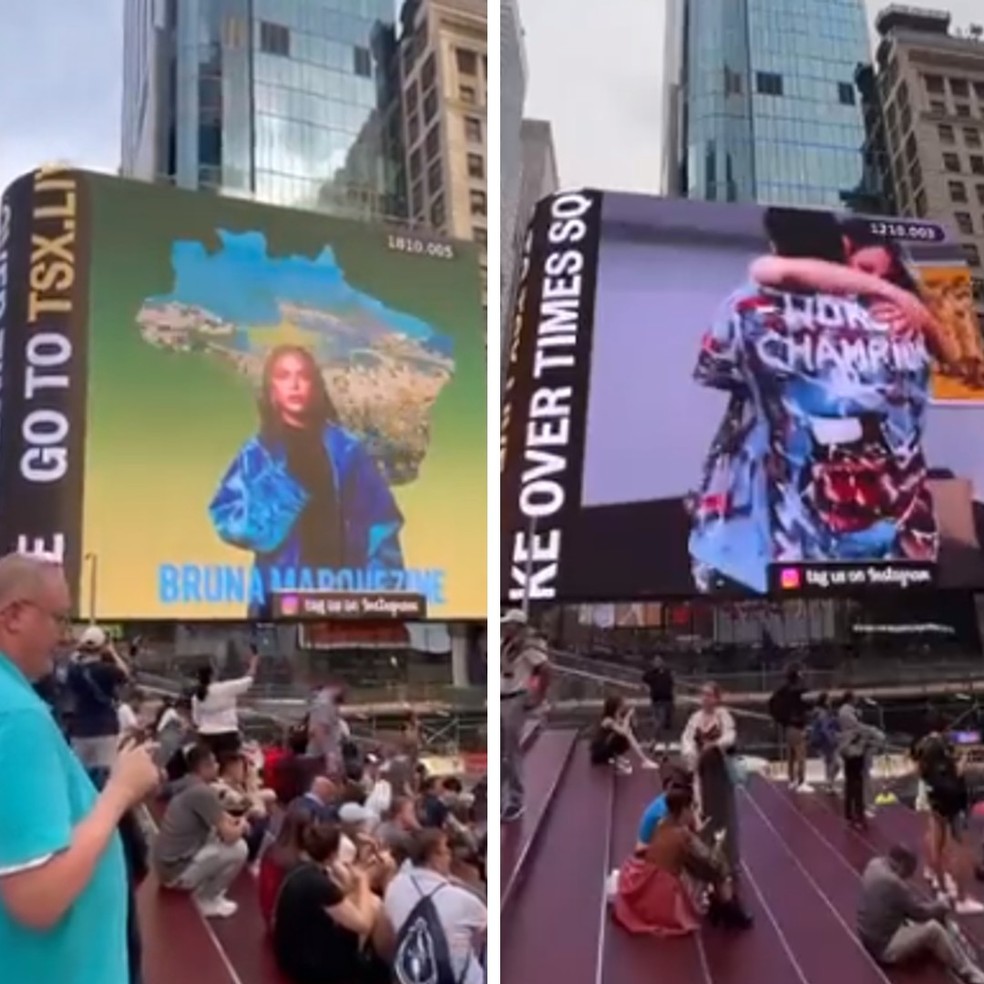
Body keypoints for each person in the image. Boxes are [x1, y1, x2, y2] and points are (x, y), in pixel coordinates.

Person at [689, 208, 948, 596]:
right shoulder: (900, 320)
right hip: (900, 550)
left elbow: (714, 370)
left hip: (784, 552)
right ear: (844, 247)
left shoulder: (747, 309)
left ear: (778, 248)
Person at [0, 552, 160, 983]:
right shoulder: (16, 718)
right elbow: (36, 898)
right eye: (58, 618)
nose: (65, 636)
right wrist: (121, 792)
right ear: (14, 615)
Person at [209, 344, 405, 609]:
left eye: (303, 375)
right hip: (281, 602)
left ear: (316, 385)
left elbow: (381, 526)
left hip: (345, 602)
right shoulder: (259, 454)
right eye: (283, 375)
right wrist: (280, 495)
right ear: (271, 390)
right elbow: (229, 519)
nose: (295, 384)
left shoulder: (347, 451)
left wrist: (382, 598)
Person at [613, 786, 752, 936]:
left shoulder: (662, 823)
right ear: (683, 810)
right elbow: (707, 858)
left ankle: (722, 907)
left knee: (706, 867)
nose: (693, 813)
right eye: (691, 808)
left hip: (648, 877)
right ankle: (729, 909)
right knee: (719, 868)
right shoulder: (683, 835)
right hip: (662, 887)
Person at [272, 820, 391, 984]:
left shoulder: (301, 868)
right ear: (333, 854)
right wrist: (364, 880)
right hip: (305, 965)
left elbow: (342, 893)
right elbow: (363, 924)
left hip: (287, 950)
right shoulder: (320, 885)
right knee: (372, 910)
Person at [857, 845, 984, 983]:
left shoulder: (874, 864)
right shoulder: (895, 884)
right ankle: (967, 971)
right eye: (909, 872)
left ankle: (955, 946)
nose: (909, 877)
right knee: (933, 929)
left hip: (867, 934)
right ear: (902, 865)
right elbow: (921, 914)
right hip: (884, 947)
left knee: (924, 917)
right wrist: (942, 905)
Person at [152, 742, 250, 917]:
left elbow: (221, 816)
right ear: (204, 767)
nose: (218, 766)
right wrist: (242, 825)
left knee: (215, 836)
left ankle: (206, 893)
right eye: (214, 763)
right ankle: (207, 898)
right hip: (175, 873)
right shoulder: (202, 792)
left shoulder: (186, 784)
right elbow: (229, 836)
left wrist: (234, 820)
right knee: (239, 848)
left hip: (165, 867)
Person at [384, 828, 487, 984]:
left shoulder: (394, 887)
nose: (450, 856)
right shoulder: (463, 900)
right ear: (434, 857)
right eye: (446, 851)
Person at [913, 720, 981, 913]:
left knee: (937, 842)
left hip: (935, 801)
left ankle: (942, 890)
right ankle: (961, 898)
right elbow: (956, 774)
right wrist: (964, 760)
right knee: (960, 847)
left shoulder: (924, 752)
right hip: (952, 803)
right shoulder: (941, 750)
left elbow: (922, 768)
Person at [681, 682, 741, 871]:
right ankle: (705, 857)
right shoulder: (695, 718)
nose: (705, 698)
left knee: (723, 814)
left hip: (719, 772)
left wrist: (715, 745)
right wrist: (691, 754)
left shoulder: (723, 716)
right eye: (703, 694)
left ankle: (728, 859)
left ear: (716, 698)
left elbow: (730, 736)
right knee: (702, 812)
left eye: (709, 695)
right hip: (702, 771)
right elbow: (687, 739)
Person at [66, 625, 132, 786]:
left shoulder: (73, 671)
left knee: (80, 779)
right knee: (106, 779)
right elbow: (126, 674)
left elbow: (72, 659)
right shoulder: (107, 670)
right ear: (102, 647)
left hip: (80, 730)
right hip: (105, 729)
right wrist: (112, 652)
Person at [500, 609, 550, 823]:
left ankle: (516, 799)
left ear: (518, 626)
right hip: (501, 697)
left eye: (509, 624)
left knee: (512, 751)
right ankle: (502, 791)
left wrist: (538, 697)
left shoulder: (529, 648)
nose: (504, 627)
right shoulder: (505, 644)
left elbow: (546, 669)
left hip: (515, 698)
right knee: (501, 749)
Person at [192, 650, 259, 758]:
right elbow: (248, 679)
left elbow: (196, 720)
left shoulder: (196, 696)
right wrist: (253, 662)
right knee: (228, 764)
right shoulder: (225, 688)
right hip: (227, 735)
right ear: (212, 675)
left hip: (205, 735)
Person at [838, 692, 883, 830]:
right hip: (853, 750)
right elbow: (857, 728)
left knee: (852, 781)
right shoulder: (846, 712)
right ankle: (858, 814)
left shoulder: (850, 711)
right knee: (856, 783)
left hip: (853, 748)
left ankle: (853, 812)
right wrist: (874, 733)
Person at [768, 664, 812, 792]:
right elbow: (807, 704)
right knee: (800, 755)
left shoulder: (782, 691)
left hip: (788, 727)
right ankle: (801, 781)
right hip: (797, 727)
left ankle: (792, 780)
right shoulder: (799, 691)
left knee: (791, 756)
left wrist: (780, 720)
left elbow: (772, 703)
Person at [589, 696, 659, 774]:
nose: (625, 706)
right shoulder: (608, 720)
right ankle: (644, 760)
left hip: (607, 748)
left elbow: (633, 726)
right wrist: (627, 717)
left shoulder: (618, 716)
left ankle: (621, 758)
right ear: (617, 707)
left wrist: (631, 718)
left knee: (628, 733)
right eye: (622, 705)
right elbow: (623, 732)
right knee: (626, 734)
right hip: (600, 752)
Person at [642, 656, 674, 754]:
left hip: (667, 701)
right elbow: (643, 681)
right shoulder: (650, 673)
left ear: (662, 662)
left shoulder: (667, 673)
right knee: (658, 722)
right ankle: (654, 742)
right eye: (655, 662)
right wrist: (646, 688)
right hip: (656, 701)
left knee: (665, 725)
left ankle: (661, 745)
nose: (657, 663)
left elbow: (671, 684)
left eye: (659, 661)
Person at [808, 692, 841, 789]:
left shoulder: (821, 712)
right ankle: (830, 783)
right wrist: (831, 738)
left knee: (829, 763)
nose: (830, 701)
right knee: (836, 764)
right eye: (829, 699)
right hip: (825, 740)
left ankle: (829, 784)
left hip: (820, 740)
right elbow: (824, 728)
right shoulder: (822, 713)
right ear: (824, 701)